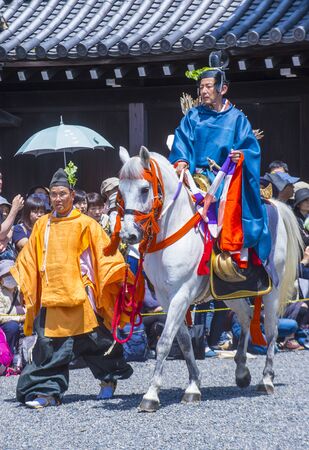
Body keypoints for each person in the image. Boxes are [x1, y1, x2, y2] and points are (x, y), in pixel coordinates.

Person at [11, 168, 134, 409]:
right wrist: (22, 276)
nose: (58, 199)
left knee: (95, 341)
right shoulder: (42, 225)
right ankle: (47, 393)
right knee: (49, 347)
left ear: (71, 195)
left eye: (62, 194)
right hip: (52, 294)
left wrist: (116, 274)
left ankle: (108, 380)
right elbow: (30, 258)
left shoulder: (86, 223)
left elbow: (105, 253)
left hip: (80, 293)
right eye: (54, 195)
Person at [169, 63, 270, 263]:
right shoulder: (193, 116)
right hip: (195, 177)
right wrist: (180, 159)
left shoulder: (236, 118)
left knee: (229, 204)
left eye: (208, 86)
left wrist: (240, 156)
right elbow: (182, 141)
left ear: (222, 89)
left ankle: (228, 254)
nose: (204, 91)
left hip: (225, 177)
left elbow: (250, 150)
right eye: (201, 87)